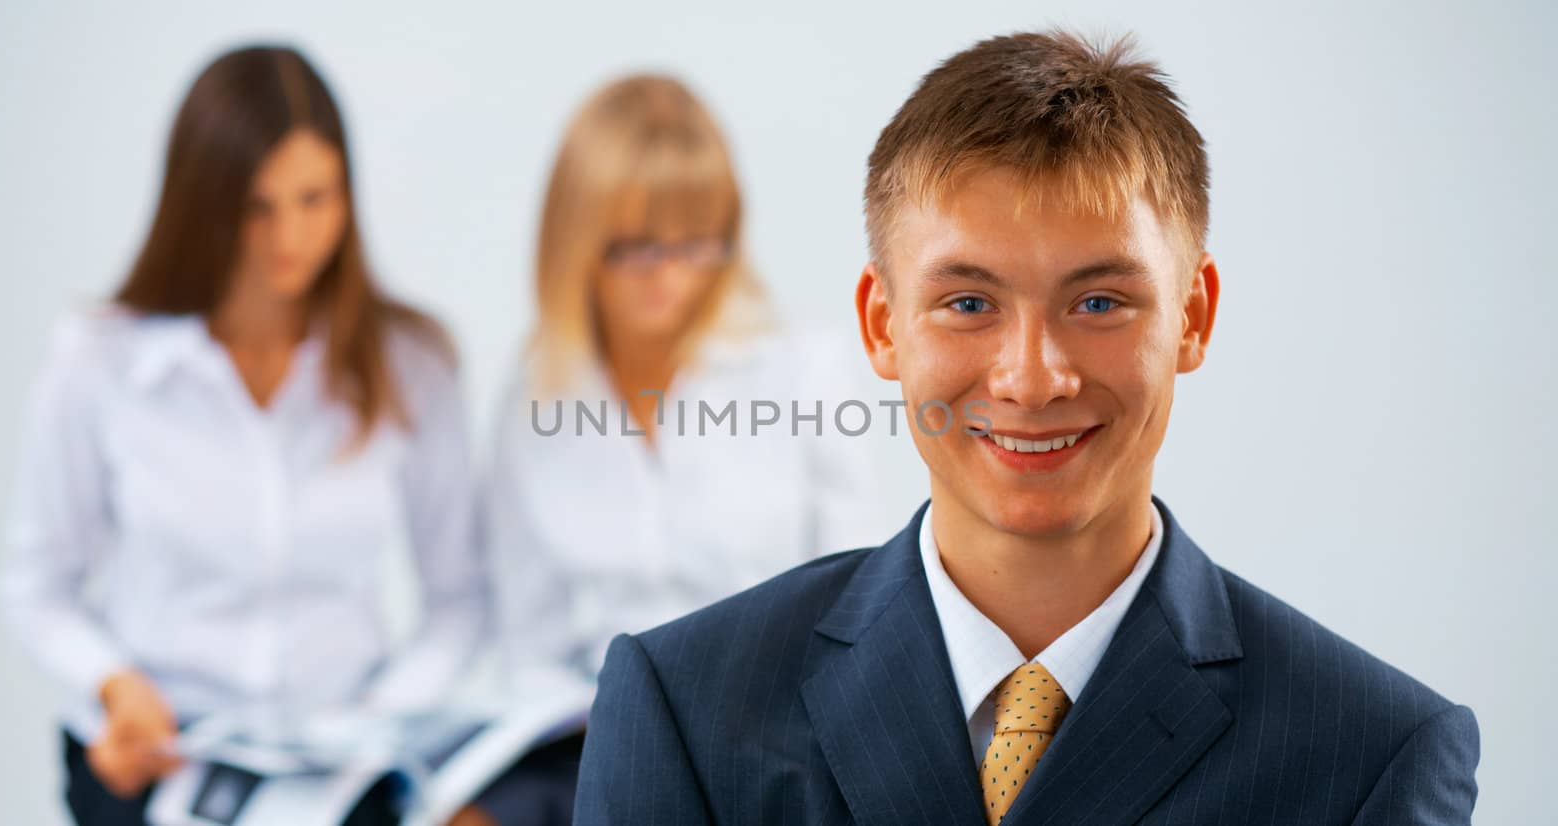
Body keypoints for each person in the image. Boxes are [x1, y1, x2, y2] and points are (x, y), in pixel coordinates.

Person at [572, 30, 1480, 825]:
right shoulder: (685, 710)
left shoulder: (1374, 756)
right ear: (883, 325)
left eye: (1099, 300)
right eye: (969, 302)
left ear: (1194, 316)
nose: (1033, 378)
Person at [0, 46, 486, 826]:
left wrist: (382, 714)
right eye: (255, 207)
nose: (286, 236)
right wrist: (116, 683)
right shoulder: (99, 358)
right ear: (202, 203)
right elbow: (36, 584)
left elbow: (458, 602)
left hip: (337, 762)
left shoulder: (413, 365)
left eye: (314, 199)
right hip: (157, 758)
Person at [465, 74, 885, 826]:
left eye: (694, 243)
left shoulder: (803, 371)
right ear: (577, 244)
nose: (669, 276)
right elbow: (524, 641)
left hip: (772, 742)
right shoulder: (534, 398)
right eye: (636, 248)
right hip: (590, 745)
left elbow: (862, 611)